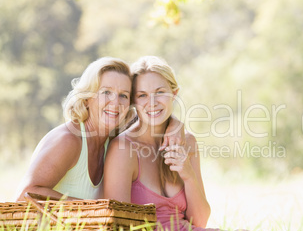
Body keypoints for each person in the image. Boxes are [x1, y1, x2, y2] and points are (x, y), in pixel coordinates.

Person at [104, 56, 247, 231]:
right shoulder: (123, 149)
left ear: (174, 93)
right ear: (133, 101)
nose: (152, 102)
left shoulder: (187, 141)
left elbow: (200, 221)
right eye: (142, 95)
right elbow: (118, 230)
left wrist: (188, 175)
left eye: (160, 92)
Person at [16, 57, 183, 201]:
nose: (116, 102)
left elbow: (152, 117)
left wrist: (175, 126)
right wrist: (93, 209)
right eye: (106, 92)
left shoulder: (112, 139)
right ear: (87, 97)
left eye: (123, 95)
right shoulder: (69, 140)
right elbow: (25, 194)